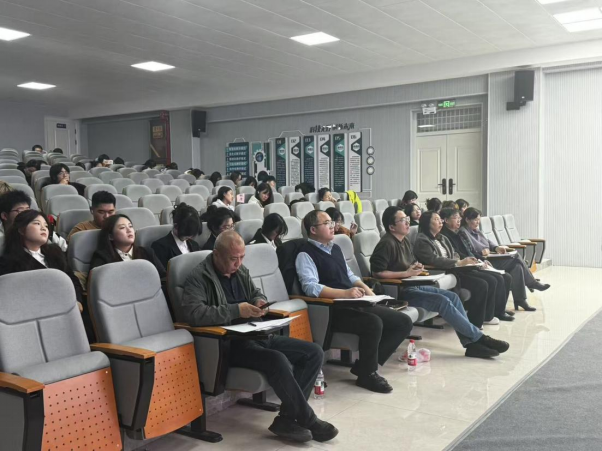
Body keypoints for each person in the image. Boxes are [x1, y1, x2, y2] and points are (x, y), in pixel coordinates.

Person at [180, 231, 338, 443]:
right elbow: (194, 314)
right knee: (277, 359)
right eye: (233, 258)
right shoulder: (199, 277)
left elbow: (256, 293)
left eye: (242, 257)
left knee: (313, 352)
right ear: (216, 254)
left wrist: (259, 302)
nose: (238, 263)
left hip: (258, 333)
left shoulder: (240, 270)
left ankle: (287, 419)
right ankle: (308, 419)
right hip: (230, 344)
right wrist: (236, 310)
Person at [296, 210, 414, 393]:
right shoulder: (305, 254)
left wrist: (370, 293)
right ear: (313, 229)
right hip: (333, 309)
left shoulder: (335, 248)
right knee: (373, 323)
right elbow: (311, 287)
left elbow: (350, 276)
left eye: (332, 222)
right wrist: (344, 293)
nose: (333, 226)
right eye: (327, 223)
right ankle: (367, 374)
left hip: (356, 302)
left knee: (403, 321)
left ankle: (363, 366)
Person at [370, 206, 509, 359]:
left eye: (407, 219)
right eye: (403, 220)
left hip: (412, 284)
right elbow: (377, 273)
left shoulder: (404, 241)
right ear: (391, 227)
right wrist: (406, 273)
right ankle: (480, 339)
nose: (408, 223)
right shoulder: (386, 243)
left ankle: (471, 345)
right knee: (442, 301)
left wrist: (416, 267)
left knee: (453, 297)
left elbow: (409, 264)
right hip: (399, 291)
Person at [413, 211, 491, 329]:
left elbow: (454, 253)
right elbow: (433, 259)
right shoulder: (422, 240)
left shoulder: (442, 237)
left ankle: (474, 321)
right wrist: (458, 263)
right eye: (436, 219)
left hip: (455, 270)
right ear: (427, 223)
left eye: (440, 219)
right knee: (481, 284)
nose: (440, 222)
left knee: (486, 280)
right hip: (442, 272)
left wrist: (462, 261)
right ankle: (472, 323)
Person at [461, 207, 549, 311]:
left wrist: (496, 248)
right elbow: (470, 251)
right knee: (516, 257)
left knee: (517, 267)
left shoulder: (476, 230)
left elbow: (488, 242)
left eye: (479, 220)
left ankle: (520, 300)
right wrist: (482, 252)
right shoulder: (463, 232)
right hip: (484, 261)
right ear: (467, 219)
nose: (478, 222)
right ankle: (531, 283)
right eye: (475, 220)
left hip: (491, 257)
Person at [439, 208, 514, 323]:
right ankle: (487, 315)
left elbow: (469, 251)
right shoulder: (446, 236)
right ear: (446, 220)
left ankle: (498, 311)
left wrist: (481, 260)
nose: (459, 220)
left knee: (505, 276)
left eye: (459, 218)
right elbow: (457, 255)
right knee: (492, 280)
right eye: (455, 218)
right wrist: (476, 260)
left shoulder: (457, 233)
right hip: (460, 269)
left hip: (470, 264)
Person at [0, 210, 82, 303]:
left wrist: (77, 300)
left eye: (46, 226)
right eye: (37, 223)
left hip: (67, 302)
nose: (43, 228)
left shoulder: (55, 252)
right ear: (21, 230)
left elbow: (71, 278)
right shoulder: (8, 262)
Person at [89, 214, 165, 277]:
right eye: (122, 227)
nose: (129, 230)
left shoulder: (147, 252)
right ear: (111, 236)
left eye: (130, 226)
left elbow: (163, 278)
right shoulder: (102, 257)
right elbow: (96, 283)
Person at [0, 190, 67, 251]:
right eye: (20, 210)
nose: (26, 214)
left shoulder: (43, 229)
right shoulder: (2, 239)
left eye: (28, 210)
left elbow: (65, 247)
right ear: (4, 216)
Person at [151, 204, 201, 270]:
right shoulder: (160, 247)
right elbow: (164, 274)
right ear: (176, 226)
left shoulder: (195, 245)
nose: (190, 237)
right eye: (186, 234)